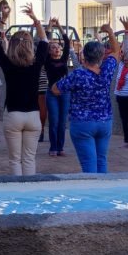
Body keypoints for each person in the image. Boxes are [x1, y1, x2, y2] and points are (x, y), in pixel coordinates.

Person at [53, 23, 119, 173]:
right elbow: (116, 51)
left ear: (84, 55)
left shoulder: (78, 74)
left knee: (89, 164)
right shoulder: (107, 70)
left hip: (82, 123)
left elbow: (55, 90)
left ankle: (92, 188)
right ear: (101, 56)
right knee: (101, 160)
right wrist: (110, 32)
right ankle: (103, 187)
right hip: (104, 122)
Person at [0, 3, 48, 176]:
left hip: (13, 114)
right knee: (29, 158)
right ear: (30, 46)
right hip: (33, 115)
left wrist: (3, 19)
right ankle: (30, 190)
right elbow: (44, 42)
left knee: (15, 159)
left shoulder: (8, 64)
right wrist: (36, 21)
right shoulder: (36, 64)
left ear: (12, 45)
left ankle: (17, 190)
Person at [44, 18, 71, 156]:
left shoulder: (64, 59)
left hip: (65, 93)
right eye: (53, 47)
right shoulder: (47, 60)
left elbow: (67, 42)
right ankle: (53, 147)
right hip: (51, 93)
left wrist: (59, 26)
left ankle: (60, 148)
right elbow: (44, 42)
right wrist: (50, 26)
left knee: (62, 122)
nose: (56, 49)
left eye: (58, 47)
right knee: (54, 121)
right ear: (49, 51)